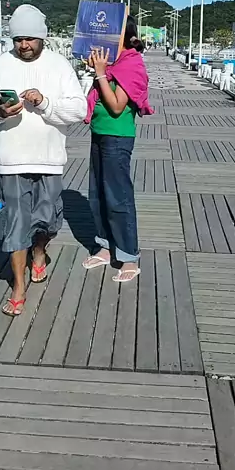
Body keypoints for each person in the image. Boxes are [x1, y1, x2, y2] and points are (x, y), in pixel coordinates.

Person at [0, 4, 87, 316]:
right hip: (11, 160)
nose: (24, 45)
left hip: (49, 159)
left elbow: (79, 109)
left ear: (42, 38)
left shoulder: (59, 65)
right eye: (18, 39)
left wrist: (45, 102)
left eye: (30, 39)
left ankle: (39, 251)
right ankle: (18, 287)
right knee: (15, 224)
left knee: (47, 220)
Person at [82, 16, 153, 281]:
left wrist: (101, 73)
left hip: (117, 135)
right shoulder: (111, 63)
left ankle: (128, 256)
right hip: (99, 132)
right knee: (98, 193)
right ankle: (105, 246)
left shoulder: (132, 64)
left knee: (118, 196)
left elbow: (116, 106)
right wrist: (99, 70)